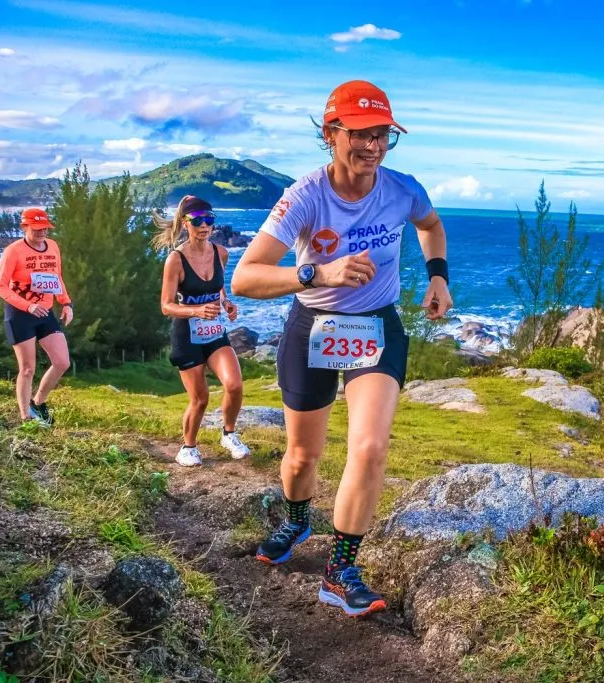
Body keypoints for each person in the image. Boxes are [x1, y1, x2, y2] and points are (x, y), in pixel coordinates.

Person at [231, 80, 453, 617]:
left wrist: (438, 277)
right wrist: (314, 272)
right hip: (313, 325)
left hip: (376, 326)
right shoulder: (305, 195)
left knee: (370, 447)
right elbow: (245, 277)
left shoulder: (403, 189)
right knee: (302, 455)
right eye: (361, 134)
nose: (373, 146)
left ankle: (340, 569)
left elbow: (430, 224)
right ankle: (296, 520)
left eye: (382, 136)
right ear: (332, 134)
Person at [154, 195, 250, 467]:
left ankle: (229, 434)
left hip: (214, 332)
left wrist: (226, 303)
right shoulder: (175, 260)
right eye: (198, 221)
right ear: (186, 223)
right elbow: (166, 305)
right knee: (200, 399)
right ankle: (188, 447)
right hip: (187, 336)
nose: (204, 225)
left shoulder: (221, 253)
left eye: (209, 220)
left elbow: (219, 289)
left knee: (234, 384)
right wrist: (196, 311)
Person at [0, 207, 73, 426]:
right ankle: (25, 416)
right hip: (20, 314)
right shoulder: (13, 251)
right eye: (37, 228)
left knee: (62, 361)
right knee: (27, 368)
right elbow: (0, 286)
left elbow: (55, 277)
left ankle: (38, 401)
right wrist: (28, 306)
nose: (42, 233)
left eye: (45, 228)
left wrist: (65, 302)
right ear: (24, 227)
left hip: (45, 311)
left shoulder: (53, 247)